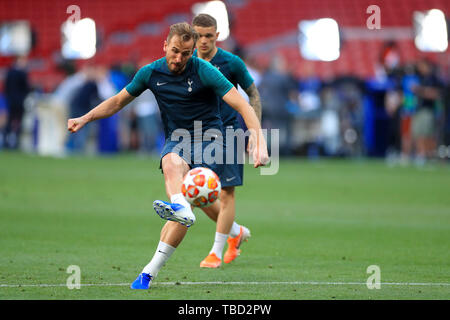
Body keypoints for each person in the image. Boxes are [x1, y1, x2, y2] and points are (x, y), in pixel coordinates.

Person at [67, 22, 268, 290]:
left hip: (210, 139)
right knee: (173, 166)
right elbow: (117, 101)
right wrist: (85, 117)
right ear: (165, 46)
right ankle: (195, 213)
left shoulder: (204, 70)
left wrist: (260, 141)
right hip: (178, 138)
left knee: (190, 198)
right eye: (175, 51)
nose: (179, 58)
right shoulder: (150, 72)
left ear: (192, 50)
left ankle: (149, 270)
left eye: (186, 53)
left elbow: (242, 103)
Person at [191, 13, 262, 268]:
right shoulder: (186, 62)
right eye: (198, 36)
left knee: (226, 193)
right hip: (198, 133)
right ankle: (236, 232)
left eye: (209, 36)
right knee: (196, 194)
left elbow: (253, 94)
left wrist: (255, 131)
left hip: (230, 131)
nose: (203, 41)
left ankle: (215, 253)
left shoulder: (231, 63)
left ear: (217, 36)